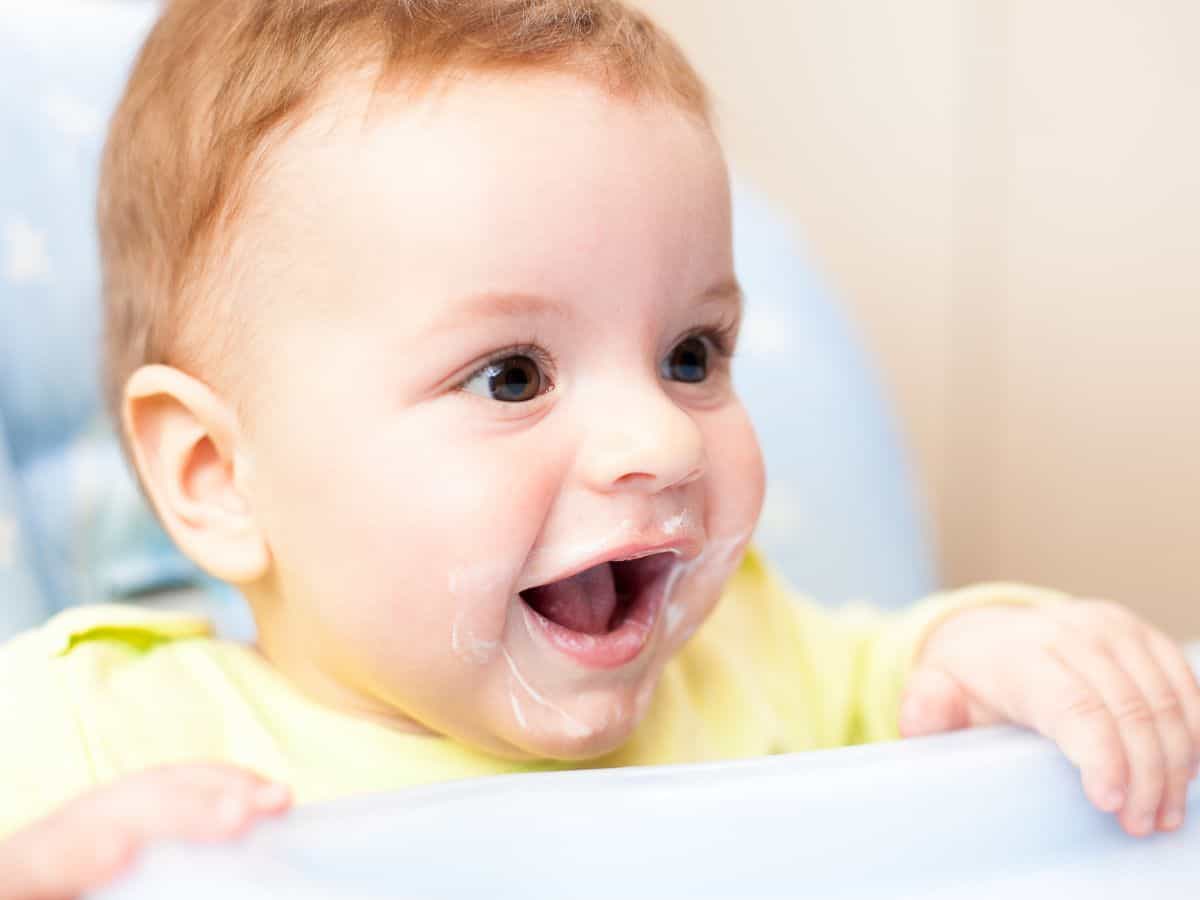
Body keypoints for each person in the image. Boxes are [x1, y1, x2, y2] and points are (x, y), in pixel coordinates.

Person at [1, 0, 1197, 895]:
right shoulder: (91, 741)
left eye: (693, 353)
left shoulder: (745, 661)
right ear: (216, 476)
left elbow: (909, 678)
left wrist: (1005, 650)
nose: (661, 439)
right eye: (512, 376)